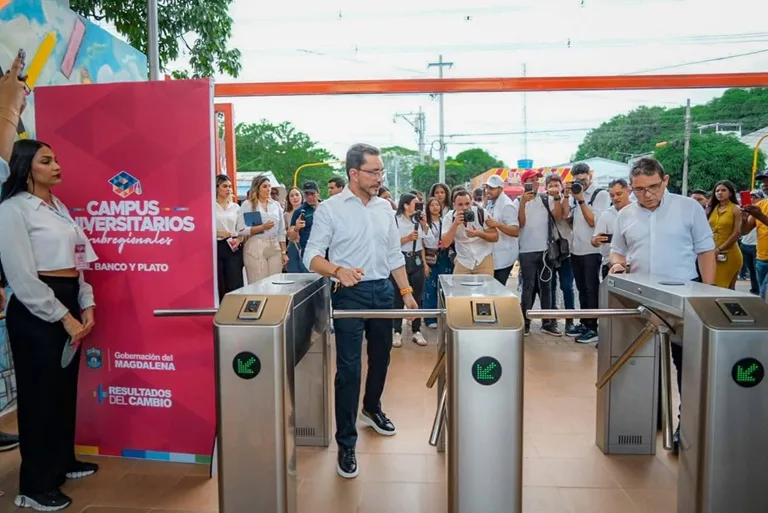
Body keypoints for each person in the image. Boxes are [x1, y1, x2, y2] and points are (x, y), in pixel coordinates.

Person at [303, 143, 418, 479]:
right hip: (349, 294)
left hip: (384, 291)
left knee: (382, 358)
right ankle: (347, 443)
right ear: (354, 173)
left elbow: (394, 255)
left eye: (380, 171)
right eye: (374, 172)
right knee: (349, 369)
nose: (379, 177)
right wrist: (338, 270)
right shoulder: (330, 209)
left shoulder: (385, 208)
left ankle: (372, 407)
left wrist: (406, 293)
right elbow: (312, 256)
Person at [0, 139, 101, 511]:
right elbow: (22, 278)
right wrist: (65, 316)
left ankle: (62, 462)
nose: (57, 165)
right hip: (37, 310)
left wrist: (85, 304)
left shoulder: (58, 207)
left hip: (69, 296)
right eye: (47, 161)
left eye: (56, 159)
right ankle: (34, 485)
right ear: (27, 168)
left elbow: (79, 262)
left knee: (62, 391)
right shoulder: (13, 211)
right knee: (39, 398)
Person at [609, 157, 716, 452]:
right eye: (639, 190)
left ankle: (686, 426)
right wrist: (617, 266)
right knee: (642, 360)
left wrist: (707, 294)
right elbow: (617, 251)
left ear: (665, 180)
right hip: (640, 298)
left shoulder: (688, 208)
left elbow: (706, 249)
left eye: (653, 187)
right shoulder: (625, 214)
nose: (647, 195)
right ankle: (650, 417)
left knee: (687, 365)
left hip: (684, 296)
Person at [562, 163, 611, 344]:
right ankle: (584, 322)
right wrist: (567, 196)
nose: (580, 183)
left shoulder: (601, 194)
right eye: (577, 181)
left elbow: (593, 222)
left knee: (591, 289)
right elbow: (567, 219)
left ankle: (593, 327)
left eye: (583, 180)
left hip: (592, 250)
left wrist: (581, 199)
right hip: (576, 249)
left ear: (590, 176)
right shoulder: (574, 195)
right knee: (581, 288)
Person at [391, 193, 433, 347]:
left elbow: (431, 241)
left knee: (417, 295)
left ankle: (416, 330)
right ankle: (397, 331)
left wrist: (425, 225)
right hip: (399, 260)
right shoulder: (395, 221)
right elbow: (390, 244)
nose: (419, 207)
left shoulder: (419, 221)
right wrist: (407, 239)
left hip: (416, 260)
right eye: (416, 204)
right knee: (397, 296)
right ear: (405, 205)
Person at [241, 175, 288, 282]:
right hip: (256, 244)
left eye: (269, 186)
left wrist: (284, 252)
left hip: (274, 245)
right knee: (258, 283)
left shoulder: (276, 205)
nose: (268, 189)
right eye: (265, 186)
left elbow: (281, 231)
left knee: (275, 283)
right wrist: (262, 227)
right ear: (257, 188)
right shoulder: (247, 205)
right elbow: (241, 229)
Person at [440, 189, 499, 275]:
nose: (464, 208)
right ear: (454, 205)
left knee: (486, 288)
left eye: (467, 204)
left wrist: (479, 234)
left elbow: (495, 237)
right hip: (463, 260)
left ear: (471, 202)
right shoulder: (449, 217)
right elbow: (445, 243)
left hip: (483, 257)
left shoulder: (481, 213)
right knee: (458, 287)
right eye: (460, 204)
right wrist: (455, 224)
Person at [422, 197, 454, 329]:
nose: (435, 207)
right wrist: (424, 263)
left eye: (437, 205)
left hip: (444, 256)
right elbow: (422, 244)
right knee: (430, 287)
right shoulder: (424, 223)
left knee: (445, 286)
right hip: (430, 257)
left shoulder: (445, 221)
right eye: (432, 205)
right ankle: (429, 318)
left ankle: (445, 315)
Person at [591, 179, 632, 280]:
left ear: (628, 191)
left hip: (634, 267)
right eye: (612, 195)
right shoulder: (606, 215)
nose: (615, 198)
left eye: (619, 194)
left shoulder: (639, 212)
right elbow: (594, 241)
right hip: (610, 266)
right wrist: (596, 241)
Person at [705, 180, 743, 289]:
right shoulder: (712, 209)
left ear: (730, 193)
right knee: (712, 286)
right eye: (717, 191)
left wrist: (719, 249)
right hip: (713, 252)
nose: (720, 193)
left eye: (723, 190)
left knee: (724, 288)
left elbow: (737, 233)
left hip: (729, 254)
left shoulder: (736, 209)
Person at [214, 175, 246, 299]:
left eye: (230, 186)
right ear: (217, 188)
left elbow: (242, 229)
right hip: (216, 246)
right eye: (225, 186)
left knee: (235, 281)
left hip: (233, 246)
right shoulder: (210, 206)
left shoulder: (236, 207)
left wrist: (239, 239)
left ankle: (234, 310)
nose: (228, 189)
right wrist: (217, 232)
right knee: (219, 280)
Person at [483, 175, 519, 285]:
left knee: (497, 289)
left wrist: (498, 224)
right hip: (493, 255)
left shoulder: (507, 205)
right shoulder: (490, 203)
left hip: (504, 256)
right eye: (487, 187)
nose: (488, 191)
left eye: (492, 188)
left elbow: (515, 231)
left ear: (501, 189)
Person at [740, 171, 768, 297]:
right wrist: (744, 219)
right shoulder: (761, 204)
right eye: (763, 181)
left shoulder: (759, 209)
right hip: (761, 258)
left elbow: (761, 218)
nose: (764, 184)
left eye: (767, 181)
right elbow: (745, 231)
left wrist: (760, 216)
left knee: (763, 295)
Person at [287, 181, 321, 273]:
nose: (309, 197)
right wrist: (296, 228)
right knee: (309, 284)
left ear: (318, 192)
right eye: (306, 194)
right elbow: (291, 237)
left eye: (312, 194)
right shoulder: (300, 211)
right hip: (308, 253)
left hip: (326, 253)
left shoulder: (326, 207)